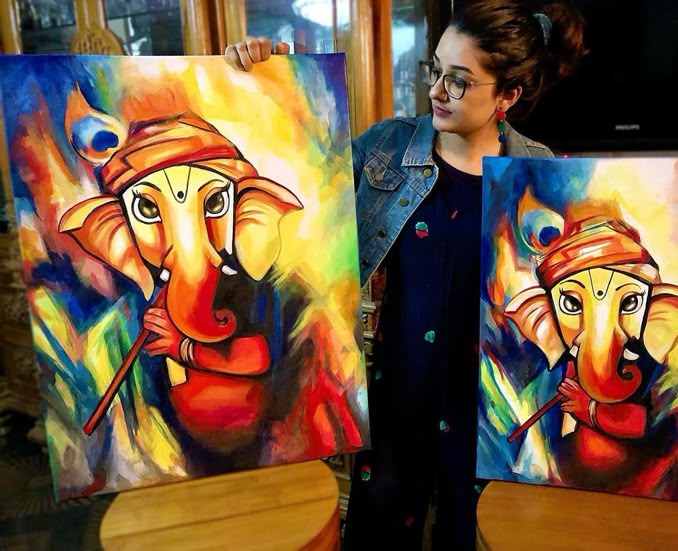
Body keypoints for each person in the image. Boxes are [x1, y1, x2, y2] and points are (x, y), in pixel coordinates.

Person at [226, 1, 585, 548]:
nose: (438, 90)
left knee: (475, 539)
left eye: (460, 82)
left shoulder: (540, 176)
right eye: (436, 70)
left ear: (507, 97)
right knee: (377, 538)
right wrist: (271, 83)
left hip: (490, 418)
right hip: (396, 396)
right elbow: (293, 194)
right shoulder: (387, 149)